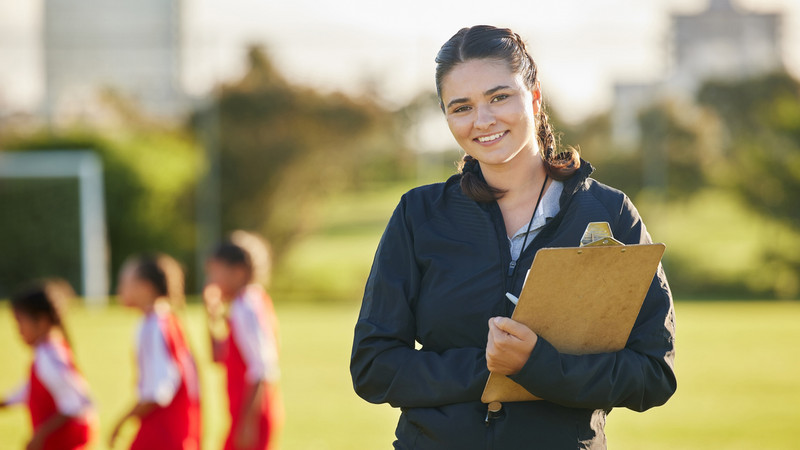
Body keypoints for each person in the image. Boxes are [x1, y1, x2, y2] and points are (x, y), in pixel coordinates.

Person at [350, 25, 676, 449]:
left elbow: (653, 373)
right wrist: (488, 367)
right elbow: (374, 367)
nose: (482, 120)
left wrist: (539, 365)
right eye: (461, 107)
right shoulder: (419, 214)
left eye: (499, 97)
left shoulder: (610, 213)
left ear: (534, 97)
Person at [109, 253, 201, 450]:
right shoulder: (166, 321)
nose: (119, 289)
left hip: (164, 431)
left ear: (145, 287)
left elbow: (158, 391)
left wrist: (122, 421)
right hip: (176, 429)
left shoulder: (155, 327)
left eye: (124, 282)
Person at [203, 231, 282, 450]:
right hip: (242, 413)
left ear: (238, 273)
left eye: (215, 272)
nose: (211, 281)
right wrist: (211, 318)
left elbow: (262, 367)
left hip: (253, 415)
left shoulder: (246, 306)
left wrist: (248, 423)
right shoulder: (242, 304)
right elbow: (218, 357)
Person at [1, 280, 97, 450]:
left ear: (43, 321)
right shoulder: (47, 350)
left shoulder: (50, 356)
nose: (18, 331)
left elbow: (75, 403)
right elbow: (32, 389)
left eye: (20, 323)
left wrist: (39, 436)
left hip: (66, 441)